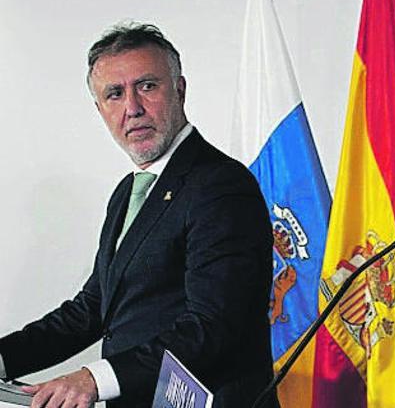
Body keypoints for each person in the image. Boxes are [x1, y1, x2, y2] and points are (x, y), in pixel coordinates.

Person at [0, 23, 277, 408]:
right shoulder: (128, 193)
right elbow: (92, 309)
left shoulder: (220, 185)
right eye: (115, 94)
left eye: (147, 86)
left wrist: (92, 378)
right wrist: (3, 358)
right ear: (100, 110)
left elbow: (212, 327)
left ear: (179, 89)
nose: (132, 108)